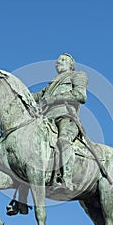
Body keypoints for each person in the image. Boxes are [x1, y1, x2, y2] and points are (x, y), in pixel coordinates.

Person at [33, 53, 88, 192]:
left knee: (63, 141)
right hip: (46, 120)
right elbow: (35, 97)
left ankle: (65, 179)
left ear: (71, 64)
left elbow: (80, 95)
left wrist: (54, 99)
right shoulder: (50, 85)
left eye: (63, 60)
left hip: (66, 117)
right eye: (57, 61)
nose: (59, 62)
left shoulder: (78, 75)